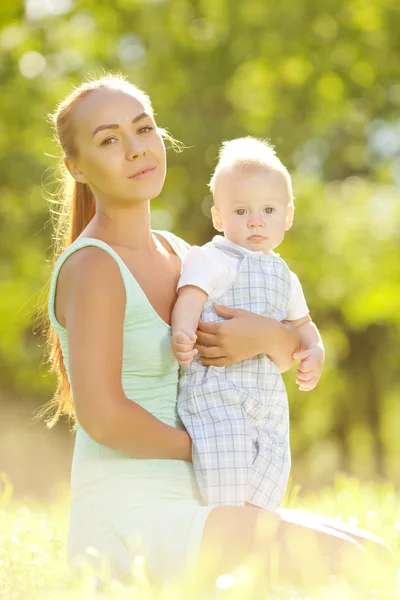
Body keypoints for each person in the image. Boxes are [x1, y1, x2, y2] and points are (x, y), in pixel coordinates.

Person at [43, 73, 394, 591]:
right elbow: (105, 417)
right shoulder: (94, 267)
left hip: (205, 496)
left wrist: (270, 338)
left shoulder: (186, 254)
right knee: (356, 563)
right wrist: (213, 445)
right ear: (77, 167)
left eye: (144, 130)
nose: (136, 149)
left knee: (379, 554)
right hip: (132, 516)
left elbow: (270, 352)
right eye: (110, 139)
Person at [171, 137, 324, 510]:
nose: (256, 220)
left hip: (268, 395)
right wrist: (182, 331)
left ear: (287, 216)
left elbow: (302, 323)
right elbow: (189, 296)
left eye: (268, 210)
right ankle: (227, 530)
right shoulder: (213, 258)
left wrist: (315, 350)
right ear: (219, 218)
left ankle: (256, 530)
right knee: (227, 468)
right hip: (218, 389)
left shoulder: (285, 275)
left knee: (271, 465)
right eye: (241, 212)